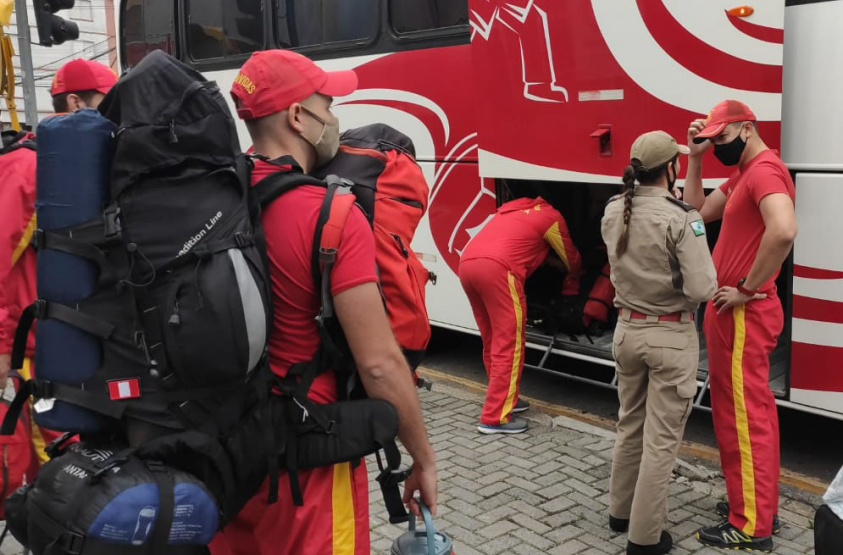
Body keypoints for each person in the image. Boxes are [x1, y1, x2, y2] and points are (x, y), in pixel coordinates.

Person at [207, 50, 437, 555]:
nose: (333, 119)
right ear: (297, 116)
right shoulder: (333, 213)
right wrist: (421, 457)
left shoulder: (213, 200)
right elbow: (378, 364)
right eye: (328, 105)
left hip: (223, 450)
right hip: (307, 456)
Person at [683, 100, 797, 551]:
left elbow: (783, 230)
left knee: (743, 417)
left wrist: (747, 289)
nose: (718, 147)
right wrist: (695, 158)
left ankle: (751, 524)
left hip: (744, 313)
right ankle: (753, 505)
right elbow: (693, 210)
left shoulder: (764, 171)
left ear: (748, 128)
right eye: (713, 141)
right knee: (748, 413)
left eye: (723, 138)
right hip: (735, 313)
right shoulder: (743, 174)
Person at [602, 131, 717, 555]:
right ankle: (645, 538)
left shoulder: (614, 208)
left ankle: (619, 513)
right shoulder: (683, 218)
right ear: (671, 169)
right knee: (661, 440)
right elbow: (703, 288)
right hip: (669, 336)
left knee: (630, 423)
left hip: (626, 332)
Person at [0, 58, 116, 466]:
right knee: (53, 469)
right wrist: (3, 347)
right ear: (75, 103)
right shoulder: (28, 167)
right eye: (107, 102)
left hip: (66, 351)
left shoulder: (71, 164)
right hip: (32, 357)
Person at [459, 193, 581, 434]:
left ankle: (506, 400)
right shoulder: (550, 216)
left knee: (491, 341)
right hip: (499, 271)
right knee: (509, 345)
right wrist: (576, 278)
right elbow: (571, 257)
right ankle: (494, 418)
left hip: (467, 266)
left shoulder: (507, 212)